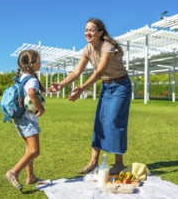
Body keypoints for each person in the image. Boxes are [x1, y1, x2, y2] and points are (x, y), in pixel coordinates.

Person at [49, 18, 132, 175]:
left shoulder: (108, 46)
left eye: (92, 30)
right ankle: (93, 162)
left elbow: (99, 71)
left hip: (121, 86)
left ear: (100, 32)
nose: (88, 32)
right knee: (99, 121)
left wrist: (81, 89)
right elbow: (76, 72)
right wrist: (61, 85)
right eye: (86, 30)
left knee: (115, 121)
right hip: (107, 86)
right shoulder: (87, 49)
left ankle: (119, 163)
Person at [5, 49, 45, 192]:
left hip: (19, 118)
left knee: (29, 149)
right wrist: (41, 109)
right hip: (28, 120)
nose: (41, 62)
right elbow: (31, 93)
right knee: (34, 151)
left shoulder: (22, 77)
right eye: (39, 60)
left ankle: (31, 176)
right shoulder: (32, 79)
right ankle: (13, 172)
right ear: (32, 64)